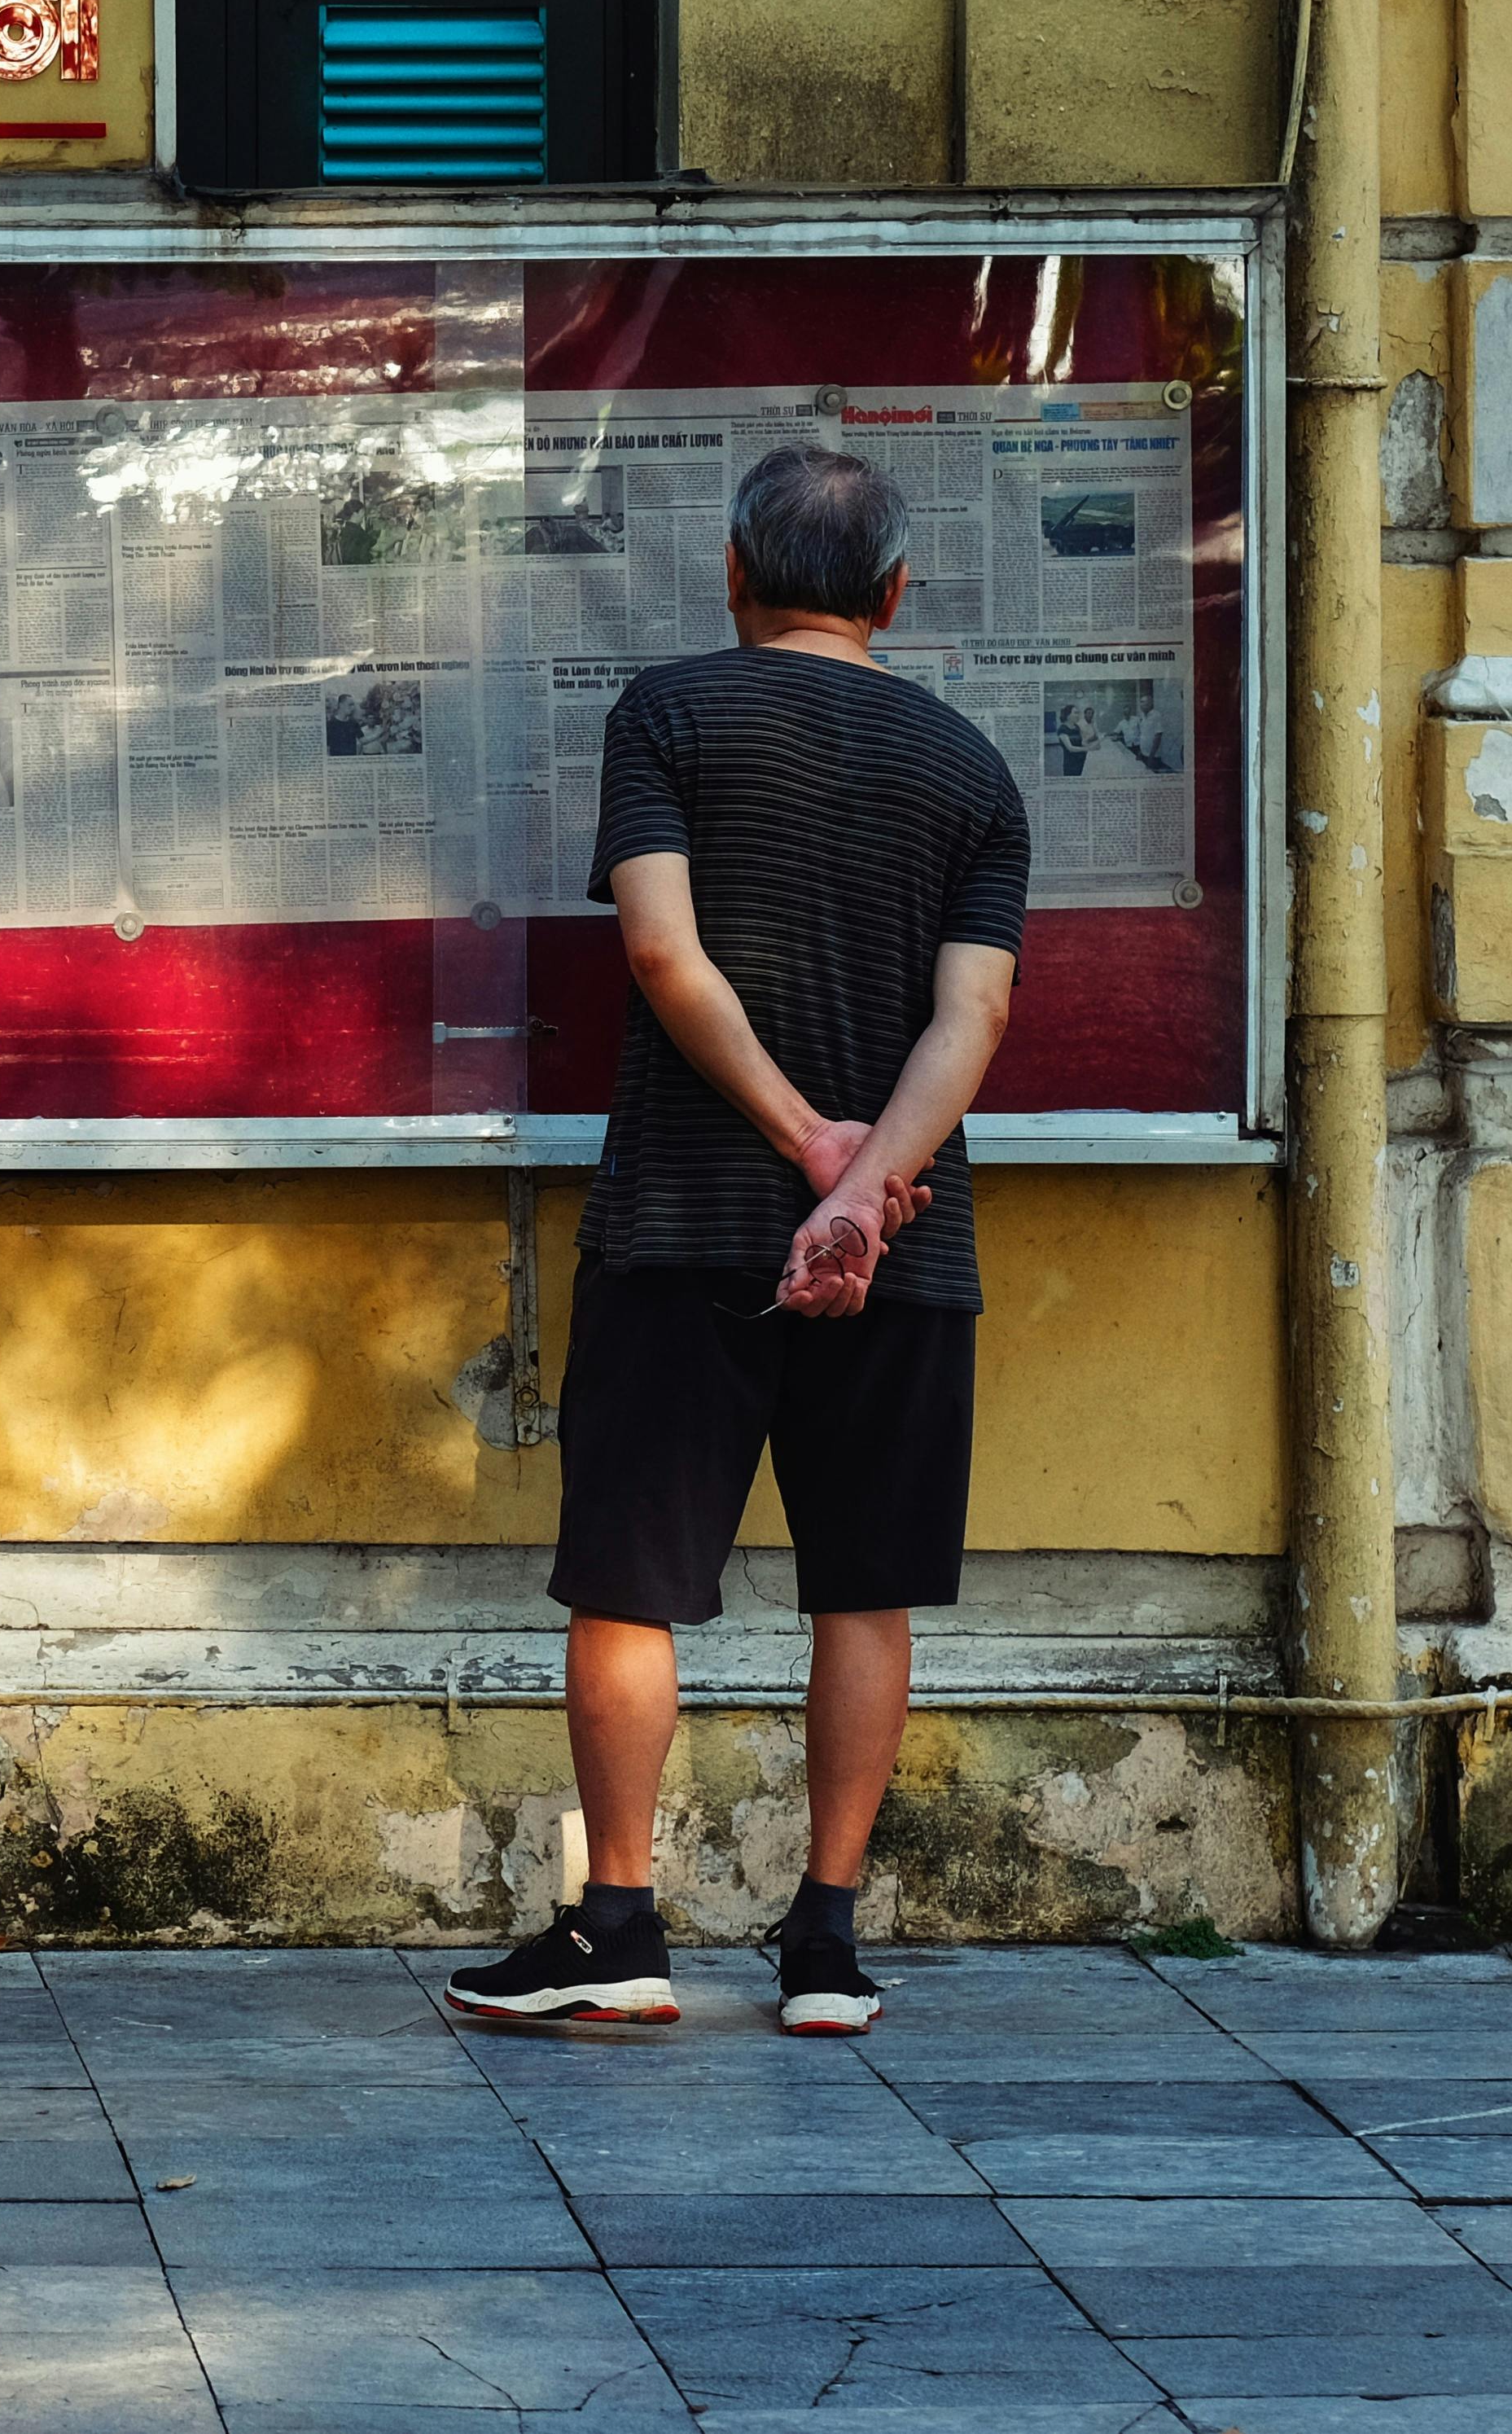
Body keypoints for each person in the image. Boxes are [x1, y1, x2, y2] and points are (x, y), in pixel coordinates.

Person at [445, 444, 1027, 2041]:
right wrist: (863, 1186)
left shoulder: (669, 715)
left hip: (682, 1224)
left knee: (627, 1586)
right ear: (893, 593)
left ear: (730, 574)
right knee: (865, 1588)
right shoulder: (971, 765)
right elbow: (970, 1013)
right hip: (904, 1245)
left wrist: (799, 1149)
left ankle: (616, 1924)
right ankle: (823, 1944)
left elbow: (657, 949)